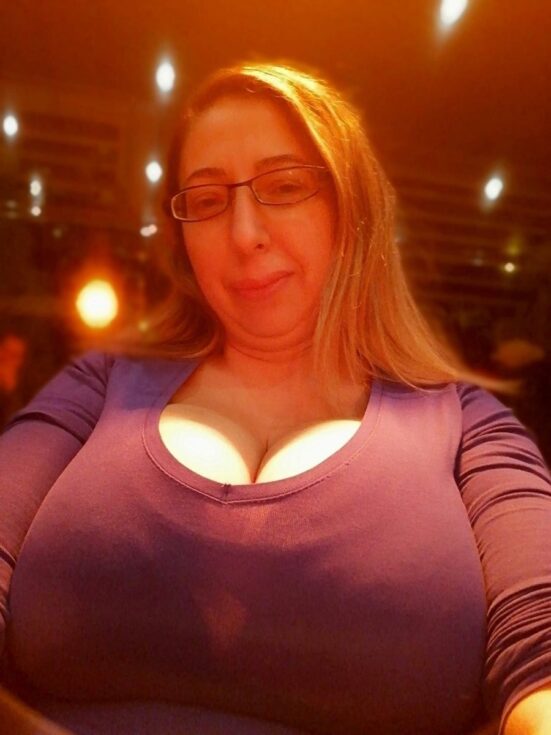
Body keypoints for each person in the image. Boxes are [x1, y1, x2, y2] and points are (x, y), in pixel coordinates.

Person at [1, 60, 550, 735]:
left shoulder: (465, 422)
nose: (243, 234)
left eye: (284, 186)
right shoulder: (103, 382)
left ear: (350, 207)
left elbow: (540, 656)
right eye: (206, 200)